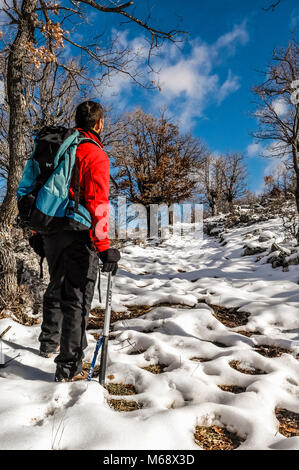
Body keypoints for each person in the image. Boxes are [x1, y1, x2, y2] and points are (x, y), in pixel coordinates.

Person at [38, 101, 120, 382]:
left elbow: (40, 190)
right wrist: (105, 247)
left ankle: (47, 344)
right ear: (99, 123)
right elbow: (98, 203)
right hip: (78, 232)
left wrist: (38, 232)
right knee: (76, 298)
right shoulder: (94, 154)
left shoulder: (58, 148)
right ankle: (68, 368)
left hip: (50, 230)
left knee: (56, 285)